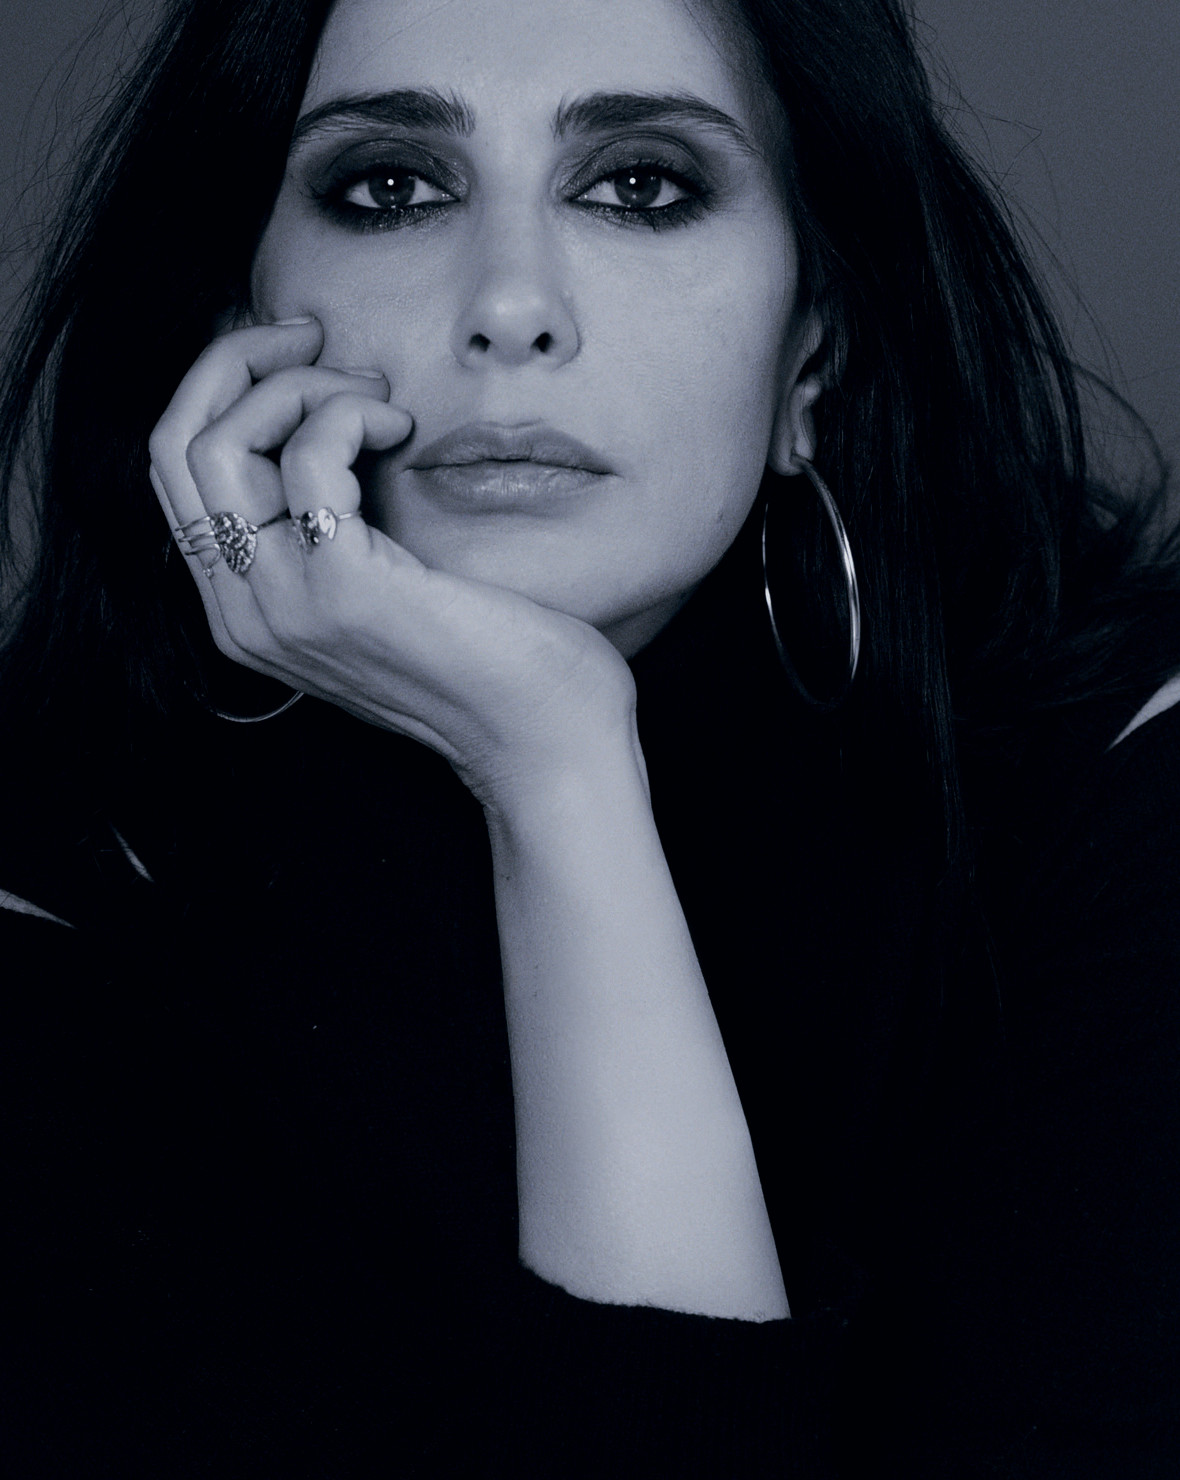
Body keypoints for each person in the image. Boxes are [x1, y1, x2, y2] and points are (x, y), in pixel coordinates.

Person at [3, 0, 1178, 1474]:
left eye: (639, 185)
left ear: (811, 359)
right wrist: (553, 767)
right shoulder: (58, 894)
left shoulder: (1118, 783)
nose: (511, 305)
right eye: (391, 187)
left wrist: (557, 772)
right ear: (236, 326)